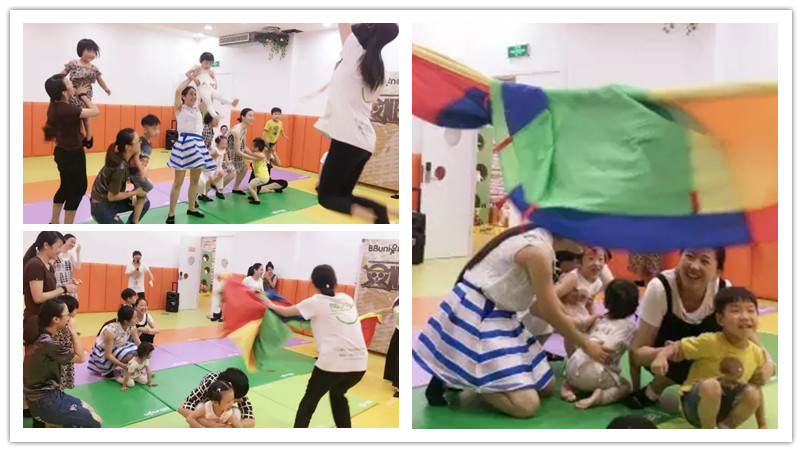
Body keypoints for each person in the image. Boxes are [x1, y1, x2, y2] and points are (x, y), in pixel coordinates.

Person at [413, 224, 611, 419]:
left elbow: (548, 304)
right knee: (526, 406)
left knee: (546, 386)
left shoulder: (542, 244)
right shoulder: (538, 252)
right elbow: (547, 310)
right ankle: (463, 372)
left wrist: (574, 323)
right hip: (480, 315)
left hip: (503, 315)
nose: (589, 243)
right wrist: (586, 344)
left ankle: (468, 372)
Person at [628, 249, 775, 410]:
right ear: (679, 258)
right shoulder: (660, 288)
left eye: (705, 261)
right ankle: (658, 385)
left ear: (717, 271)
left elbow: (745, 334)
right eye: (689, 256)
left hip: (706, 362)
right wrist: (670, 352)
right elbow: (637, 354)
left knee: (736, 350)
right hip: (668, 361)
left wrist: (767, 362)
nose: (694, 266)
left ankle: (708, 393)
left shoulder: (723, 289)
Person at [263, 265, 368, 428]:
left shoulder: (315, 301)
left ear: (313, 283)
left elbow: (283, 311)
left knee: (309, 401)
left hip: (333, 363)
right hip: (359, 365)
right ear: (335, 282)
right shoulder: (347, 299)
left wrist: (267, 302)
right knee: (337, 394)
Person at [315, 23, 399, 224]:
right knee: (344, 195)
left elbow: (344, 21)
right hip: (365, 142)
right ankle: (387, 212)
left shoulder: (354, 51)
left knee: (326, 197)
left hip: (347, 138)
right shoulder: (381, 71)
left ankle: (374, 217)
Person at [650, 287, 766, 429]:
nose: (745, 316)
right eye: (736, 311)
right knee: (712, 386)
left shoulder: (756, 353)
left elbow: (757, 389)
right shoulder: (710, 341)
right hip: (695, 407)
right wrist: (661, 357)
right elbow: (677, 346)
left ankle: (725, 427)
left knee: (753, 393)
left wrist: (762, 424)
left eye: (750, 310)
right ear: (720, 319)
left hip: (725, 409)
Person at [561, 279, 639, 409]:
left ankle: (568, 386)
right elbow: (630, 357)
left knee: (580, 367)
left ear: (605, 302)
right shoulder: (629, 328)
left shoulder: (598, 319)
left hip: (571, 367)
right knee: (625, 386)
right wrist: (636, 387)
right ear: (635, 306)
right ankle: (600, 397)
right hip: (596, 375)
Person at [24, 297, 102, 428]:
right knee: (96, 422)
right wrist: (73, 332)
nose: (70, 319)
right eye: (67, 315)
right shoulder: (48, 343)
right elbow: (81, 358)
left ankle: (54, 423)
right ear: (55, 319)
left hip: (50, 395)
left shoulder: (42, 335)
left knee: (89, 409)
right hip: (45, 402)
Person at [42, 74, 99, 224]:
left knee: (65, 187)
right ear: (63, 92)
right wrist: (83, 95)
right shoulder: (67, 110)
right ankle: (67, 224)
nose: (71, 84)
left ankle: (54, 221)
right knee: (78, 190)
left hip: (61, 152)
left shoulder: (54, 105)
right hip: (73, 154)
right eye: (68, 83)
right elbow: (95, 111)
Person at [166, 78, 218, 223]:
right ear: (183, 97)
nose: (194, 97)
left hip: (198, 145)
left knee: (195, 180)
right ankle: (171, 213)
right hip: (184, 145)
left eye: (195, 95)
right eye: (191, 94)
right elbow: (178, 90)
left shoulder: (198, 110)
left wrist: (210, 83)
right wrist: (190, 78)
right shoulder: (179, 108)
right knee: (178, 182)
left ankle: (192, 208)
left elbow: (208, 97)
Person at [23, 232, 78, 346]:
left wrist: (67, 285)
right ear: (46, 245)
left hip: (46, 320)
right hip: (36, 322)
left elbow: (49, 290)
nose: (60, 250)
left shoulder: (48, 266)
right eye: (59, 246)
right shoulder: (36, 265)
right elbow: (38, 297)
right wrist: (64, 288)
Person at [89, 129, 151, 224]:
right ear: (128, 147)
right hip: (101, 207)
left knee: (145, 203)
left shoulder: (125, 156)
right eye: (137, 140)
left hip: (111, 201)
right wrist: (135, 192)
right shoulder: (119, 167)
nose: (140, 142)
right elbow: (111, 197)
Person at [59, 38, 110, 148]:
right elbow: (64, 73)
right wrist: (57, 79)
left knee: (86, 117)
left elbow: (100, 80)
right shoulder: (74, 63)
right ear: (81, 50)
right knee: (76, 116)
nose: (92, 54)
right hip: (72, 93)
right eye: (89, 51)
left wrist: (105, 88)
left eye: (94, 52)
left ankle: (89, 138)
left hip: (86, 94)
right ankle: (79, 136)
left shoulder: (94, 68)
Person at [177, 368, 255, 428]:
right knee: (199, 406)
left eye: (233, 400)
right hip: (206, 410)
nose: (240, 400)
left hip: (222, 412)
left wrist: (228, 427)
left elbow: (250, 420)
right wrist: (205, 422)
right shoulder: (209, 384)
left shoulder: (238, 389)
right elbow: (182, 407)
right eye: (230, 400)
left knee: (237, 412)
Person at [87, 305, 141, 381]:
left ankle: (130, 372)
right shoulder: (111, 331)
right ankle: (118, 372)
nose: (137, 320)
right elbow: (108, 355)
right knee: (128, 354)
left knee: (137, 351)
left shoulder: (131, 326)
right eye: (135, 318)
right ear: (126, 321)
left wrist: (144, 355)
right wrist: (123, 365)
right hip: (103, 353)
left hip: (118, 347)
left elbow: (139, 344)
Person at [185, 51, 238, 119]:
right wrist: (195, 79)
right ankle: (215, 115)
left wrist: (215, 84)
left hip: (210, 87)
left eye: (210, 64)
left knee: (220, 96)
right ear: (201, 61)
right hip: (202, 88)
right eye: (206, 63)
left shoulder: (210, 71)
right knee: (209, 102)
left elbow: (213, 78)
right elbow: (187, 74)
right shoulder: (197, 68)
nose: (208, 66)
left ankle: (231, 102)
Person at [128, 114, 160, 223]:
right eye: (154, 129)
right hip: (134, 172)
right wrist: (141, 170)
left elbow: (144, 162)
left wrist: (144, 170)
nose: (157, 131)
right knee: (149, 186)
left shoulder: (149, 144)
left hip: (140, 173)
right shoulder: (140, 141)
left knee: (142, 198)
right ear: (145, 129)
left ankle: (135, 221)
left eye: (158, 129)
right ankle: (131, 195)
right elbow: (134, 158)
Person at [223, 109, 259, 195]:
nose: (252, 118)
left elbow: (243, 147)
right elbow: (238, 151)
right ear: (243, 117)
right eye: (250, 116)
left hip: (234, 154)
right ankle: (218, 189)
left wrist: (254, 155)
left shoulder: (244, 129)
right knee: (232, 173)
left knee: (244, 169)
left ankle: (235, 188)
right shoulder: (237, 130)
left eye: (253, 116)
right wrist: (253, 158)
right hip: (225, 154)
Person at [198, 115, 226, 202]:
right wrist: (209, 153)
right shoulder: (205, 129)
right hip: (199, 157)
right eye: (217, 119)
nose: (218, 121)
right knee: (200, 180)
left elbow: (207, 145)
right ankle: (195, 199)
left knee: (207, 179)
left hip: (205, 157)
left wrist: (212, 151)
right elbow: (200, 145)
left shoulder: (211, 130)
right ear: (211, 119)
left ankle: (204, 194)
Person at [55, 296, 80, 389]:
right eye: (76, 308)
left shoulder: (66, 322)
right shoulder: (67, 324)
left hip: (66, 356)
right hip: (64, 357)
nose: (76, 311)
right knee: (60, 378)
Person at [53, 233, 81, 301]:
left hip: (69, 285)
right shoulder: (56, 253)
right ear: (65, 240)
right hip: (59, 286)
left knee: (72, 305)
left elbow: (78, 267)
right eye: (72, 242)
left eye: (74, 243)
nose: (73, 244)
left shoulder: (70, 255)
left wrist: (78, 253)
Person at [383, 297, 399, 397]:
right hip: (397, 331)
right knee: (393, 354)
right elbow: (392, 309)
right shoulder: (398, 298)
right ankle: (392, 377)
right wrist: (375, 312)